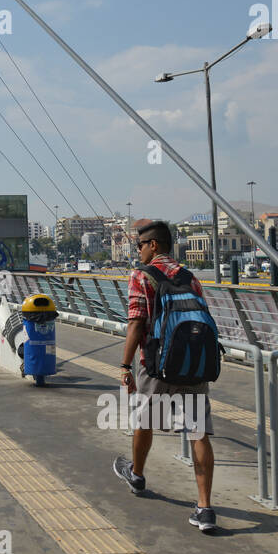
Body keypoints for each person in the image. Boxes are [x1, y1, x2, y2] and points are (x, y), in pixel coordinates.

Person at [113, 220, 218, 533]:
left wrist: (125, 365)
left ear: (153, 245)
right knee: (198, 432)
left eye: (140, 245)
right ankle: (205, 508)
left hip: (156, 364)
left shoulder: (142, 276)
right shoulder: (190, 277)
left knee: (144, 421)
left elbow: (136, 322)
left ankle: (138, 475)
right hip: (192, 364)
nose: (138, 251)